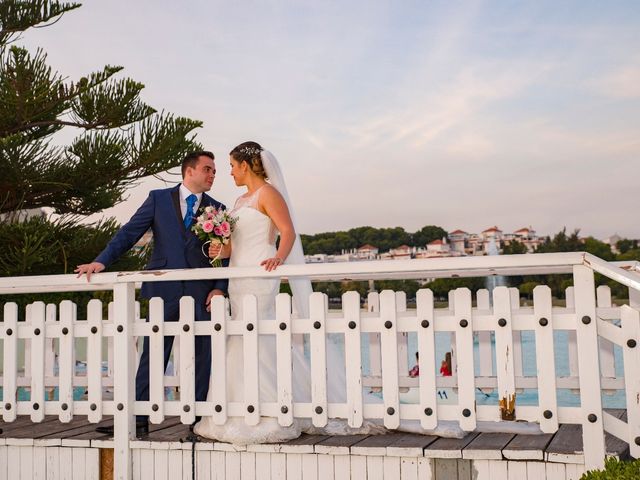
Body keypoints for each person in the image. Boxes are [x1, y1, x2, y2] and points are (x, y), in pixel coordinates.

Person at [75, 151, 228, 435]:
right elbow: (129, 232)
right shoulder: (157, 198)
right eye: (207, 169)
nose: (212, 175)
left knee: (203, 353)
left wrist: (219, 287)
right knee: (154, 353)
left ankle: (197, 419)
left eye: (214, 171)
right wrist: (102, 261)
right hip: (163, 288)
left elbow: (223, 253)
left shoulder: (217, 208)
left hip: (201, 289)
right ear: (189, 171)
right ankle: (138, 419)